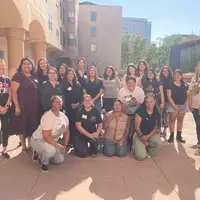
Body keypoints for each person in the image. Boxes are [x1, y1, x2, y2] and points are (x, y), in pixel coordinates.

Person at [31, 96, 69, 172]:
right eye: (55, 102)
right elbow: (46, 136)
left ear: (62, 104)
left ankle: (43, 153)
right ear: (51, 104)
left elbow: (67, 131)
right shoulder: (47, 116)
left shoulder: (64, 117)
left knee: (59, 160)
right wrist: (57, 145)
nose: (57, 103)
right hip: (38, 139)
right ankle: (43, 162)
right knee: (51, 150)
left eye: (59, 102)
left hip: (51, 141)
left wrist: (65, 145)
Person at [10, 57, 40, 153]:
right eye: (24, 64)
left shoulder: (35, 76)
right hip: (22, 106)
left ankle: (30, 144)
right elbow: (13, 92)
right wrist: (17, 106)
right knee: (22, 125)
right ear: (21, 65)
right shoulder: (17, 76)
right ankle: (23, 146)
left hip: (34, 106)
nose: (27, 65)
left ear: (32, 66)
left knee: (32, 125)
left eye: (29, 64)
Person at [118, 76, 145, 151]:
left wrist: (137, 115)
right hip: (125, 113)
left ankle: (134, 143)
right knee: (127, 129)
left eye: (132, 83)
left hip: (137, 114)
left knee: (135, 129)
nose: (131, 85)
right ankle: (126, 142)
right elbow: (119, 104)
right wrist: (125, 115)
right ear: (126, 83)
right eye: (129, 83)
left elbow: (143, 104)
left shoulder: (140, 91)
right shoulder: (122, 91)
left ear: (135, 83)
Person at [133, 93, 162, 160]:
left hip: (150, 134)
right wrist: (143, 140)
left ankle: (147, 147)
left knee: (157, 143)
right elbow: (137, 128)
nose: (149, 104)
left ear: (155, 102)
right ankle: (137, 147)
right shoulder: (140, 111)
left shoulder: (157, 112)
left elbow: (157, 128)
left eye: (151, 101)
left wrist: (148, 137)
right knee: (141, 157)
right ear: (145, 103)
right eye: (147, 102)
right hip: (139, 135)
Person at [167, 70, 189, 143]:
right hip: (172, 105)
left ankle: (179, 136)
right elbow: (169, 96)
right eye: (175, 75)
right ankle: (172, 135)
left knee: (180, 120)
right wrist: (174, 106)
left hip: (183, 105)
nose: (177, 76)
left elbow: (188, 96)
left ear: (181, 76)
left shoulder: (185, 85)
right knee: (172, 120)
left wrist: (185, 104)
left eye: (178, 75)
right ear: (173, 76)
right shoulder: (170, 84)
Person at [62, 68, 82, 146]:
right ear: (66, 75)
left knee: (75, 124)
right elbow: (63, 97)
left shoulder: (78, 84)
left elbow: (81, 96)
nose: (70, 75)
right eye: (69, 74)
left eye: (72, 74)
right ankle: (68, 141)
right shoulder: (63, 84)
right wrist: (63, 108)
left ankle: (75, 141)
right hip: (67, 108)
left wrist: (78, 104)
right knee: (68, 125)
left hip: (76, 108)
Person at [0, 59, 12, 159]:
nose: (2, 68)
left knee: (6, 129)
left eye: (3, 66)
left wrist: (7, 106)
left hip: (6, 109)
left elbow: (10, 93)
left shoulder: (7, 79)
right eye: (0, 66)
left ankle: (4, 149)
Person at [189, 61, 200, 154]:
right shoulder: (194, 79)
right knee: (198, 125)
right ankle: (198, 143)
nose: (198, 68)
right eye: (197, 67)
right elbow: (191, 91)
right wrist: (190, 103)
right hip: (194, 106)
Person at [159, 66, 173, 137]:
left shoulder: (172, 79)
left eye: (166, 71)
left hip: (169, 100)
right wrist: (162, 101)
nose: (165, 72)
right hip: (162, 99)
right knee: (160, 115)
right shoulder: (160, 79)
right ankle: (160, 130)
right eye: (163, 71)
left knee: (166, 116)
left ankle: (165, 130)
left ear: (169, 71)